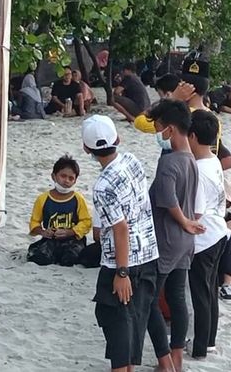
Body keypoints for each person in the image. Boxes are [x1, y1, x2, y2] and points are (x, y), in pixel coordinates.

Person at [82, 115, 159, 372]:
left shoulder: (103, 185)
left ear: (87, 149)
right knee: (133, 326)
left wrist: (122, 272)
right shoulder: (132, 160)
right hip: (148, 252)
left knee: (116, 327)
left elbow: (120, 228)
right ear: (118, 139)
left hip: (123, 262)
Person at [145, 99, 205, 372]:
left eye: (158, 128)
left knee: (148, 300)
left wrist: (183, 221)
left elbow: (167, 200)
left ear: (170, 129)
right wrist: (189, 224)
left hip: (168, 239)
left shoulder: (169, 162)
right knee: (178, 297)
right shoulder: (191, 158)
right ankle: (177, 356)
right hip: (185, 242)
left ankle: (165, 360)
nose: (157, 134)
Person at [188, 110, 230, 359]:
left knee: (201, 294)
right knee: (210, 290)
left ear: (192, 136)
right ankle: (209, 340)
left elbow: (195, 212)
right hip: (219, 232)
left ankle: (201, 346)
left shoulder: (199, 171)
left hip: (204, 239)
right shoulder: (213, 159)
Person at [27, 155, 92, 266]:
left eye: (71, 178)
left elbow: (86, 222)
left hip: (73, 240)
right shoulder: (43, 199)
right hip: (51, 239)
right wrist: (43, 232)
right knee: (40, 258)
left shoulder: (78, 199)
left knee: (70, 258)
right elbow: (34, 222)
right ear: (54, 176)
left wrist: (70, 232)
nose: (66, 181)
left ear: (75, 181)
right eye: (63, 176)